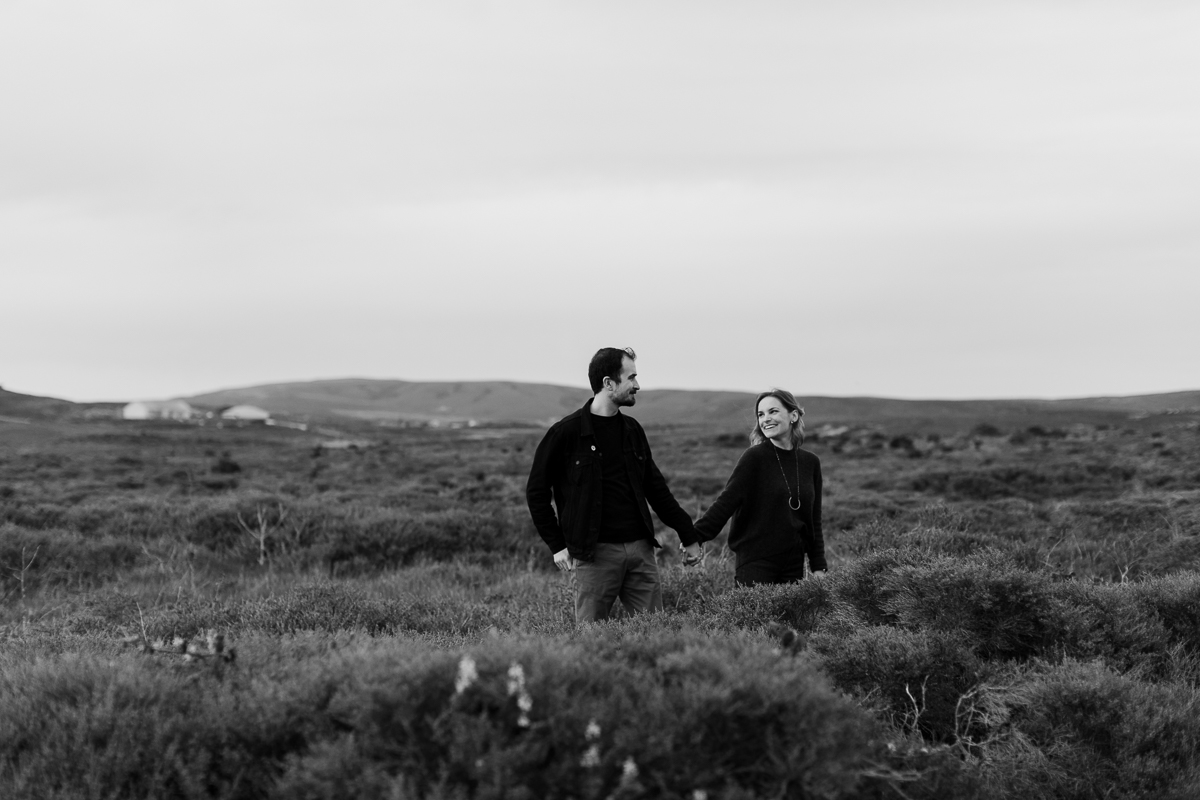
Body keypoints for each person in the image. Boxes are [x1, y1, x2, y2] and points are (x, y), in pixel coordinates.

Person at [526, 347, 704, 622]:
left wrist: (688, 534)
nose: (637, 385)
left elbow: (656, 489)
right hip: (594, 555)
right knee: (592, 640)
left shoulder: (633, 431)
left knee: (654, 635)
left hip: (641, 552)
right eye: (631, 377)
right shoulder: (565, 433)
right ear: (608, 383)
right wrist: (556, 545)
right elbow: (536, 492)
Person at [692, 389, 827, 586]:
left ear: (794, 415)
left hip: (793, 564)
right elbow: (727, 501)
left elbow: (814, 519)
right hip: (756, 562)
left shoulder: (810, 462)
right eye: (761, 414)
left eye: (773, 412)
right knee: (755, 617)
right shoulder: (754, 458)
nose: (765, 419)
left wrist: (818, 565)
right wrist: (695, 537)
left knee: (790, 618)